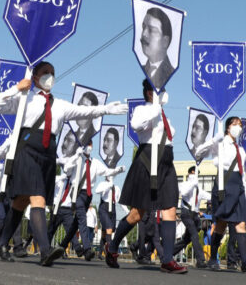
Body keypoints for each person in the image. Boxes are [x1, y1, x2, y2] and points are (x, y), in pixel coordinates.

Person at [0, 61, 127, 266]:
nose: (50, 77)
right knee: (37, 198)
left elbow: (85, 112)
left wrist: (106, 109)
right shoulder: (25, 99)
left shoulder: (61, 105)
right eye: (45, 73)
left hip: (48, 154)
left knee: (21, 202)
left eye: (52, 73)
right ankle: (45, 251)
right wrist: (16, 88)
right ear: (35, 77)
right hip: (27, 150)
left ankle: (1, 243)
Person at [105, 79, 186, 274]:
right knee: (137, 214)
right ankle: (113, 246)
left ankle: (167, 260)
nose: (165, 93)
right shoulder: (144, 110)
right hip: (148, 160)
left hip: (166, 162)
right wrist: (156, 107)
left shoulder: (163, 114)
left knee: (170, 209)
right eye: (160, 90)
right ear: (150, 93)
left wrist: (159, 109)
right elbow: (135, 124)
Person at [193, 117, 246, 273]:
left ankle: (244, 262)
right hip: (224, 184)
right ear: (228, 127)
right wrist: (214, 140)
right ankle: (212, 259)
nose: (238, 127)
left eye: (240, 125)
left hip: (238, 185)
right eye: (235, 124)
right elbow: (198, 153)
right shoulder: (221, 143)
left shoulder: (241, 149)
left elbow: (243, 174)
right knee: (221, 224)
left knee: (241, 224)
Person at [60, 144, 124, 260]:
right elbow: (66, 169)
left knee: (76, 223)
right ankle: (87, 249)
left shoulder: (95, 162)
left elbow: (106, 172)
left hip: (88, 195)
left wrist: (117, 171)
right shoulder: (77, 158)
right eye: (86, 144)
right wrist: (76, 156)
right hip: (77, 193)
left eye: (90, 144)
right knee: (82, 219)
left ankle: (63, 244)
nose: (88, 146)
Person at [173, 166, 211, 268]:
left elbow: (209, 196)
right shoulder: (184, 184)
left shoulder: (198, 189)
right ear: (190, 173)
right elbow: (184, 192)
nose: (196, 176)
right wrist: (193, 183)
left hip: (195, 215)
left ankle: (169, 253)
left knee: (186, 239)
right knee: (194, 235)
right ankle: (200, 260)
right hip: (186, 212)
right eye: (195, 173)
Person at [47, 174, 82, 257]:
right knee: (51, 229)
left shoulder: (73, 181)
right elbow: (51, 182)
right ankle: (46, 247)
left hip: (68, 210)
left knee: (71, 230)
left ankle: (78, 249)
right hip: (57, 208)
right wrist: (63, 177)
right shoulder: (59, 178)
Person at [140, 8, 175, 90]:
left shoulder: (171, 72)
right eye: (143, 27)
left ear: (165, 41)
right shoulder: (142, 69)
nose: (144, 34)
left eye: (151, 30)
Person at [95, 176, 124, 259]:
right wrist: (108, 185)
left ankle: (100, 253)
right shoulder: (103, 184)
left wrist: (127, 211)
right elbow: (97, 191)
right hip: (104, 207)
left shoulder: (117, 187)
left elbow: (119, 200)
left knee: (105, 233)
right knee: (109, 229)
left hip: (113, 208)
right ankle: (111, 252)